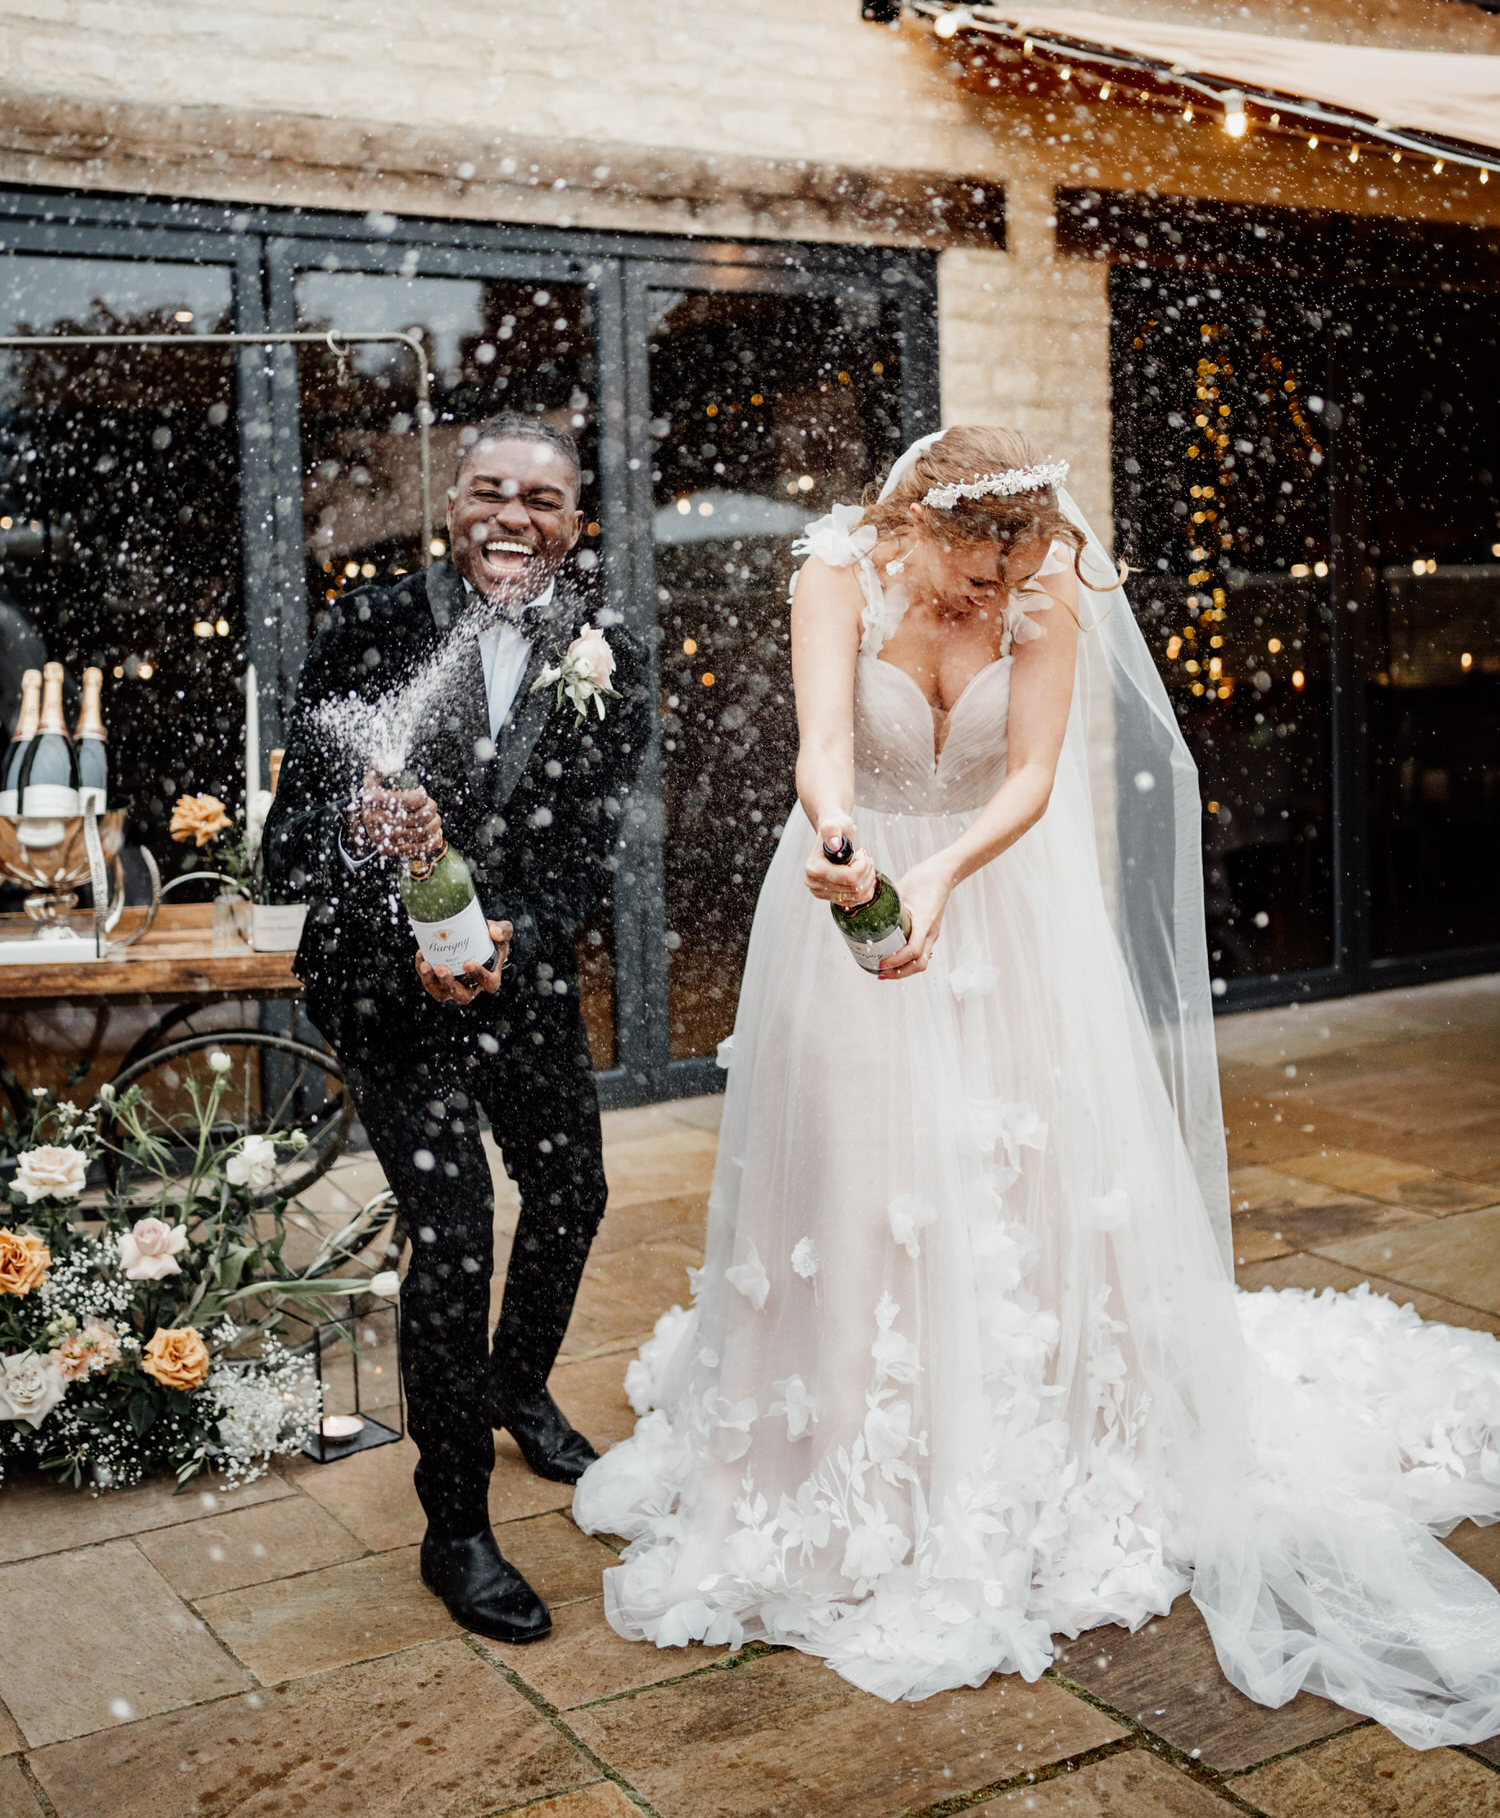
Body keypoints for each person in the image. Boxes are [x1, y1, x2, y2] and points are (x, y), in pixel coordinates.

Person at [576, 425, 1500, 1746]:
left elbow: (1027, 777)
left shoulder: (1044, 592)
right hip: (846, 903)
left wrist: (946, 876)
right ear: (917, 520)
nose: (986, 590)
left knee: (1020, 1171)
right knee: (859, 1171)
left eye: (1013, 563)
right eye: (970, 557)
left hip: (1003, 912)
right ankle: (849, 1447)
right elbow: (825, 741)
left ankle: (1033, 1427)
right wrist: (848, 848)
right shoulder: (835, 568)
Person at [268, 413, 648, 1645]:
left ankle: (517, 1386)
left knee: (574, 1193)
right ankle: (455, 1526)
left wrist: (500, 949)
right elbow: (293, 842)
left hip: (517, 981)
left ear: (575, 527)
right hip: (383, 989)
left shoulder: (610, 656)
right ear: (451, 507)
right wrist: (366, 854)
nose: (511, 517)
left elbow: (585, 856)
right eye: (488, 491)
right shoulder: (368, 631)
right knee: (456, 1235)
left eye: (541, 500)